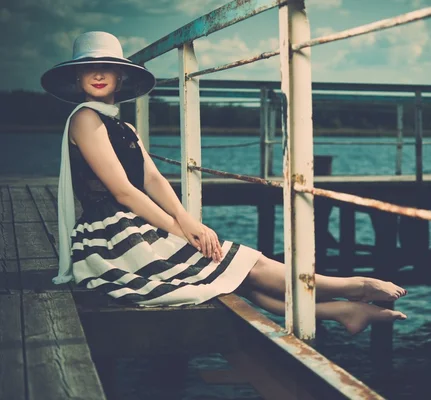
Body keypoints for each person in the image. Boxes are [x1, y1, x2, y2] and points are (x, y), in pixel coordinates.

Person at [41, 31, 408, 335]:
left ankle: (342, 311)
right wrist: (181, 231)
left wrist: (187, 220)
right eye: (90, 68)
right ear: (77, 78)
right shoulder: (85, 119)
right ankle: (353, 286)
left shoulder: (124, 126)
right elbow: (122, 190)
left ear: (120, 77)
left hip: (134, 227)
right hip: (111, 237)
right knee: (243, 265)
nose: (99, 74)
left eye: (108, 67)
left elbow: (151, 178)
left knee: (236, 274)